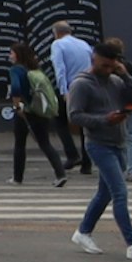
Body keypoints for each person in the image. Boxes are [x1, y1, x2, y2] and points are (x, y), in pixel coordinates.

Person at [68, 36, 132, 260]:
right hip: (98, 144)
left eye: (111, 65)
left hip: (117, 142)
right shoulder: (81, 84)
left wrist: (124, 74)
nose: (107, 70)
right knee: (119, 191)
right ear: (93, 59)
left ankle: (83, 231)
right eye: (103, 65)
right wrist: (105, 120)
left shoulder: (116, 81)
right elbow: (74, 116)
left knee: (104, 192)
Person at [5, 44, 73, 185]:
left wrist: (17, 106)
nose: (9, 56)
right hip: (40, 110)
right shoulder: (34, 69)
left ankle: (17, 178)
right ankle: (60, 173)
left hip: (26, 110)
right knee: (45, 143)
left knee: (19, 144)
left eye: (11, 53)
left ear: (18, 55)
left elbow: (16, 88)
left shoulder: (16, 70)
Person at [43, 21, 94, 172]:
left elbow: (60, 68)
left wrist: (63, 90)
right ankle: (87, 162)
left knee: (59, 121)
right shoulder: (84, 44)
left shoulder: (58, 44)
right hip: (88, 85)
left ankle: (72, 154)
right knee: (85, 123)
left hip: (71, 87)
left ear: (56, 33)